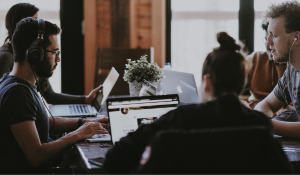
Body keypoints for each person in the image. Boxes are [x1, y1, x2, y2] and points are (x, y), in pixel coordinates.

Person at [103, 32, 272, 174]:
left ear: (207, 82)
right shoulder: (261, 125)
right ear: (242, 83)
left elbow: (115, 158)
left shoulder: (179, 118)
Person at [0, 17, 108, 174]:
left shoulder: (18, 83)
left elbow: (45, 122)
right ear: (35, 53)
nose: (58, 59)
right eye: (55, 52)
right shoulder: (17, 93)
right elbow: (36, 156)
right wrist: (79, 133)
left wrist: (85, 122)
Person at [0, 3, 100, 105]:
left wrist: (85, 99)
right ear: (21, 25)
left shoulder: (37, 55)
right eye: (35, 20)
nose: (40, 28)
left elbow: (50, 96)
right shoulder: (6, 57)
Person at [254, 1, 300, 139]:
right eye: (268, 35)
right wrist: (264, 120)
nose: (268, 43)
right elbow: (266, 104)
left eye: (274, 35)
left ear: (296, 38)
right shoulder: (292, 70)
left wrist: (265, 123)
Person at [244, 20, 298, 121]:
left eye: (274, 39)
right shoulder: (254, 59)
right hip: (259, 112)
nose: (268, 44)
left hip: (284, 117)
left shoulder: (293, 67)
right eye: (265, 39)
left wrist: (264, 122)